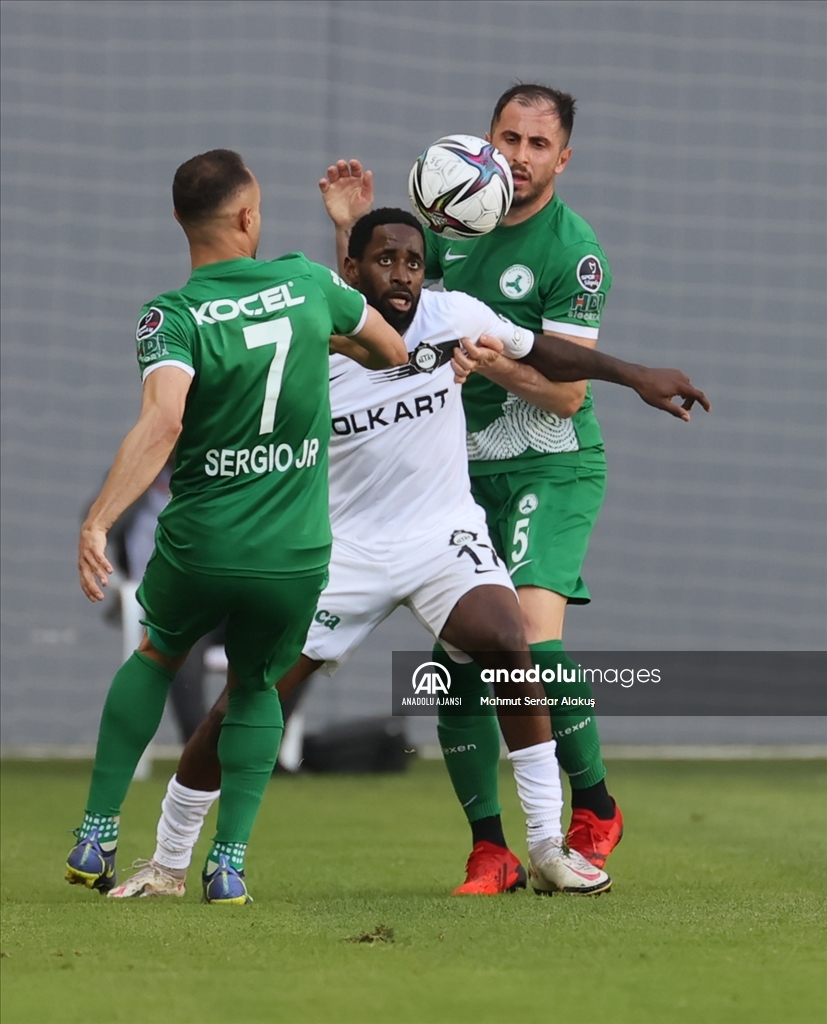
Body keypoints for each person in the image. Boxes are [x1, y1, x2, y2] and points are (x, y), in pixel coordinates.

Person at [107, 209, 707, 900]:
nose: (402, 275)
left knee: (509, 640)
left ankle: (547, 845)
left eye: (414, 262)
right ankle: (168, 863)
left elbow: (547, 352)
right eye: (385, 260)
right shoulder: (312, 343)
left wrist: (635, 375)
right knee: (250, 696)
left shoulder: (452, 317)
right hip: (344, 549)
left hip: (441, 536)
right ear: (351, 269)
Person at [64, 149, 408, 905]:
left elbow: (163, 420)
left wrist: (99, 520)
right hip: (293, 550)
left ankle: (96, 833)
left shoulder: (171, 315)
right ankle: (227, 866)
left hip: (202, 542)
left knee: (157, 655)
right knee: (255, 686)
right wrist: (330, 318)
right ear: (249, 216)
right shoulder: (307, 282)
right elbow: (390, 348)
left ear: (180, 221)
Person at [323, 83, 644, 892]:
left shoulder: (573, 252)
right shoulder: (446, 227)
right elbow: (379, 320)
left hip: (549, 460)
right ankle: (490, 849)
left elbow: (567, 394)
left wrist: (490, 359)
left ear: (563, 158)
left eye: (538, 145)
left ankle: (593, 806)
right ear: (486, 140)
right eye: (509, 139)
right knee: (460, 658)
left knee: (528, 638)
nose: (520, 158)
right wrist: (347, 232)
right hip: (457, 473)